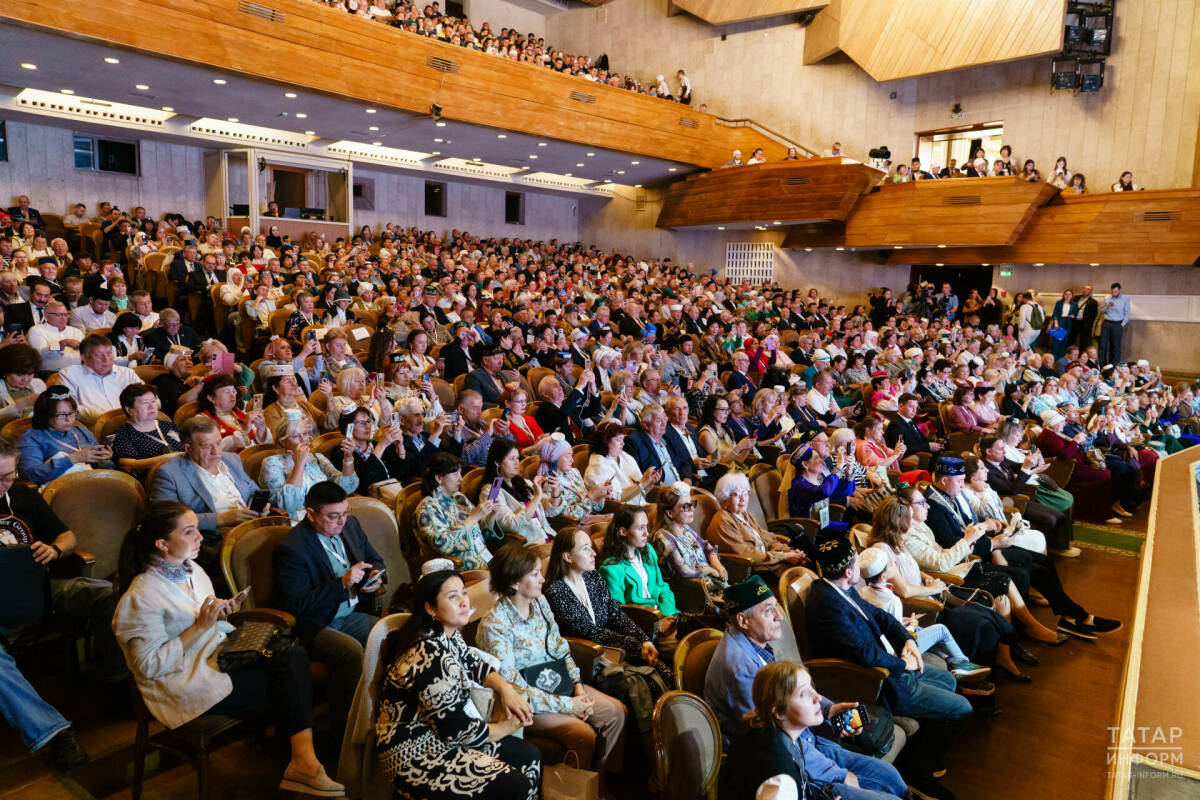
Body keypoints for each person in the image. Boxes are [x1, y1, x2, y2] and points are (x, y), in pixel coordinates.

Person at [113, 501, 345, 797]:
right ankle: (303, 763)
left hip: (215, 657)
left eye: (197, 529)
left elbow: (199, 616)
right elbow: (147, 667)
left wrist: (220, 612)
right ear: (162, 544)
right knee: (290, 682)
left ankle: (302, 762)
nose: (199, 537)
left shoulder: (191, 569)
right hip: (182, 682)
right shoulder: (141, 595)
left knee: (291, 652)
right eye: (189, 532)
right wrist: (199, 626)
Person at [806, 537, 972, 800]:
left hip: (889, 663)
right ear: (849, 571)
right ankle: (921, 771)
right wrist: (902, 663)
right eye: (857, 561)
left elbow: (879, 616)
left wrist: (908, 641)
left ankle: (923, 755)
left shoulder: (838, 586)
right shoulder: (826, 605)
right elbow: (863, 653)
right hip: (875, 681)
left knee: (949, 681)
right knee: (963, 708)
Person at [374, 559, 540, 800]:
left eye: (463, 592)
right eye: (453, 597)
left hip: (439, 736)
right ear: (430, 608)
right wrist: (505, 728)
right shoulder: (428, 653)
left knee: (529, 756)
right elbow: (456, 731)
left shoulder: (448, 636)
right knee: (515, 785)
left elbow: (476, 667)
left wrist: (507, 690)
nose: (465, 601)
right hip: (415, 753)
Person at [476, 545, 627, 775]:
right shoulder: (494, 624)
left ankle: (601, 782)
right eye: (535, 574)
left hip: (561, 686)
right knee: (582, 734)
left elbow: (560, 649)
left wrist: (577, 687)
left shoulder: (540, 603)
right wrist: (570, 706)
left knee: (616, 712)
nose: (543, 579)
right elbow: (515, 690)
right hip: (530, 704)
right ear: (515, 582)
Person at [271, 481, 384, 741]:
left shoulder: (351, 525)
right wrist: (341, 584)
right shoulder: (291, 549)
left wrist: (374, 577)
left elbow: (374, 559)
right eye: (333, 516)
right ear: (310, 514)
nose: (341, 521)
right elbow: (297, 605)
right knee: (351, 653)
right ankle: (345, 733)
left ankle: (382, 713)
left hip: (352, 612)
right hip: (317, 623)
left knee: (392, 634)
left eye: (344, 513)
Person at [720, 660, 907, 800]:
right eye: (803, 693)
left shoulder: (767, 723)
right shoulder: (780, 776)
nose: (818, 697)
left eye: (811, 687)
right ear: (778, 712)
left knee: (890, 776)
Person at [543, 526, 672, 684]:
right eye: (585, 549)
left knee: (663, 671)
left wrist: (643, 639)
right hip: (589, 658)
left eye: (591, 546)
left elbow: (615, 613)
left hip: (614, 648)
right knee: (647, 681)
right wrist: (636, 646)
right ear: (568, 557)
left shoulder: (592, 576)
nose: (594, 553)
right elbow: (590, 633)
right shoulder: (556, 591)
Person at [148, 415, 265, 554]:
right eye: (207, 446)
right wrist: (221, 519)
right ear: (188, 448)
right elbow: (167, 519)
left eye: (219, 443)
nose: (216, 452)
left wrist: (261, 506)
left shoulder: (232, 459)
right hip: (213, 540)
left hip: (251, 527)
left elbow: (253, 489)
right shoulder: (169, 474)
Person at [707, 471, 806, 575]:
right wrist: (783, 556)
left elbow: (766, 540)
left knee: (802, 561)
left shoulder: (746, 515)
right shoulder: (722, 521)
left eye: (745, 493)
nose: (743, 499)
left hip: (768, 561)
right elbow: (746, 555)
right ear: (725, 498)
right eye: (737, 495)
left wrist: (789, 552)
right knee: (798, 572)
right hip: (753, 569)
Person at [260, 418, 359, 520]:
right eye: (296, 436)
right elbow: (288, 505)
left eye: (305, 433)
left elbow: (346, 487)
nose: (303, 439)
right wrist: (299, 464)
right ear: (282, 442)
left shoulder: (317, 458)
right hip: (298, 522)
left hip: (329, 516)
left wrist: (348, 457)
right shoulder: (272, 463)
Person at [414, 451, 499, 568]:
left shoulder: (459, 498)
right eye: (455, 474)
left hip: (484, 558)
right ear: (439, 478)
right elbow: (441, 545)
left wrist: (492, 515)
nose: (461, 479)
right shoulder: (428, 507)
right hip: (458, 567)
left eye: (460, 473)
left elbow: (484, 533)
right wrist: (473, 518)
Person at [598, 506, 678, 622]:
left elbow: (662, 587)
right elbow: (619, 611)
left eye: (646, 526)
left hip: (665, 614)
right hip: (644, 622)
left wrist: (668, 615)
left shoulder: (648, 550)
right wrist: (657, 618)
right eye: (641, 528)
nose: (647, 533)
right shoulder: (610, 568)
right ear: (623, 531)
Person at [19, 386, 112, 485]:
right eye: (61, 415)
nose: (69, 419)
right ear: (45, 415)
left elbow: (106, 470)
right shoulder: (32, 437)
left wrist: (104, 461)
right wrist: (74, 458)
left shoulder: (81, 431)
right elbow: (31, 474)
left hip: (93, 483)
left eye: (71, 413)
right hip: (59, 490)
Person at [652, 481, 728, 597]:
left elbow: (707, 547)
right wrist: (711, 570)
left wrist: (716, 563)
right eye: (686, 506)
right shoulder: (663, 537)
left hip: (715, 585)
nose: (693, 509)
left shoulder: (686, 529)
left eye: (692, 503)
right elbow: (683, 570)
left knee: (757, 590)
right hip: (696, 593)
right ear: (670, 513)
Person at [58, 334, 141, 425]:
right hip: (96, 428)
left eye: (109, 354)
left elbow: (154, 400)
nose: (106, 359)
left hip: (134, 423)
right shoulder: (69, 374)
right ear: (84, 357)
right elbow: (69, 407)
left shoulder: (127, 373)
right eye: (98, 355)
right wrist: (107, 419)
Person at [109, 383, 185, 476]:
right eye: (145, 403)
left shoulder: (168, 425)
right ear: (129, 410)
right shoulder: (123, 434)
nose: (151, 406)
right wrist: (165, 460)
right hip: (156, 479)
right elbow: (129, 465)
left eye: (153, 401)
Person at [584, 421, 657, 507]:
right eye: (618, 440)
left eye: (623, 439)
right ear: (605, 441)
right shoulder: (598, 467)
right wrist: (642, 483)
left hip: (639, 505)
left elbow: (639, 494)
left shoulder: (623, 455)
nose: (623, 443)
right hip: (625, 511)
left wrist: (649, 483)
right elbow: (617, 499)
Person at [0, 343, 45, 424]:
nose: (25, 379)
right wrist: (21, 404)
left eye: (30, 373)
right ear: (5, 372)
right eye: (19, 374)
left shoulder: (39, 384)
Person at [1098, 282, 1130, 365]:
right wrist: (1107, 307)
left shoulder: (1125, 299)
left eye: (1115, 292)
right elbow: (1101, 311)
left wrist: (1121, 325)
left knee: (1115, 346)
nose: (1113, 293)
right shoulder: (1107, 297)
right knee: (1102, 345)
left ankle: (1114, 365)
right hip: (1106, 323)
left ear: (1119, 290)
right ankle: (1102, 365)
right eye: (1112, 291)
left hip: (1117, 324)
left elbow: (1127, 314)